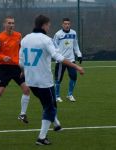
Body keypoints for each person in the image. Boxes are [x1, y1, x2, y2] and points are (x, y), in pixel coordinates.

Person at [19, 15, 84, 145]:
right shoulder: (46, 40)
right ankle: (41, 138)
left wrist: (23, 71)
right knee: (50, 108)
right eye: (48, 25)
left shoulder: (25, 39)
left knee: (48, 103)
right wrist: (75, 66)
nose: (49, 27)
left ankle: (56, 124)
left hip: (31, 80)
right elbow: (58, 57)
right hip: (44, 81)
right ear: (43, 25)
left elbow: (21, 60)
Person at [0, 16, 30, 127]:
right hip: (4, 68)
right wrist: (2, 57)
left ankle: (22, 114)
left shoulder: (18, 35)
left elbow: (21, 50)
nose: (11, 25)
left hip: (16, 67)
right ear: (4, 24)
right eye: (9, 23)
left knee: (26, 89)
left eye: (13, 23)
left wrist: (23, 66)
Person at [53, 18, 82, 102]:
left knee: (74, 77)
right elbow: (54, 46)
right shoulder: (58, 34)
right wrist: (58, 56)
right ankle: (57, 96)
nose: (67, 25)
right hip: (61, 60)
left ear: (70, 24)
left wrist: (79, 55)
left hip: (71, 60)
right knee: (58, 79)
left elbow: (76, 45)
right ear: (62, 24)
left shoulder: (73, 33)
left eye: (68, 24)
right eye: (65, 24)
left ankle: (70, 95)